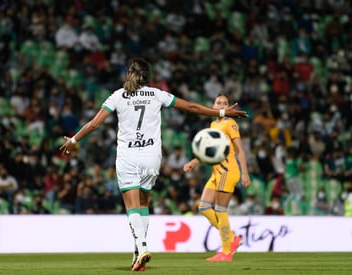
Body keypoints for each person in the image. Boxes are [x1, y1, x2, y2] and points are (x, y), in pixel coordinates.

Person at [60, 58, 247, 271]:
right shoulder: (158, 94)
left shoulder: (118, 95)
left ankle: (142, 247)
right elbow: (192, 107)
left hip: (128, 157)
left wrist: (73, 140)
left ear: (129, 74)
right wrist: (223, 112)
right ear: (148, 76)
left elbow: (94, 124)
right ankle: (136, 254)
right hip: (151, 157)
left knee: (131, 206)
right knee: (143, 204)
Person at [183, 94, 251, 262]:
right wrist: (195, 161)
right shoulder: (213, 124)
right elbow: (209, 150)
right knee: (204, 207)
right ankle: (232, 238)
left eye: (225, 103)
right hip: (216, 173)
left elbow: (240, 150)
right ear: (213, 106)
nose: (222, 104)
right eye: (218, 102)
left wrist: (245, 172)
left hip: (227, 171)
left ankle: (226, 252)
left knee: (220, 211)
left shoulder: (231, 123)